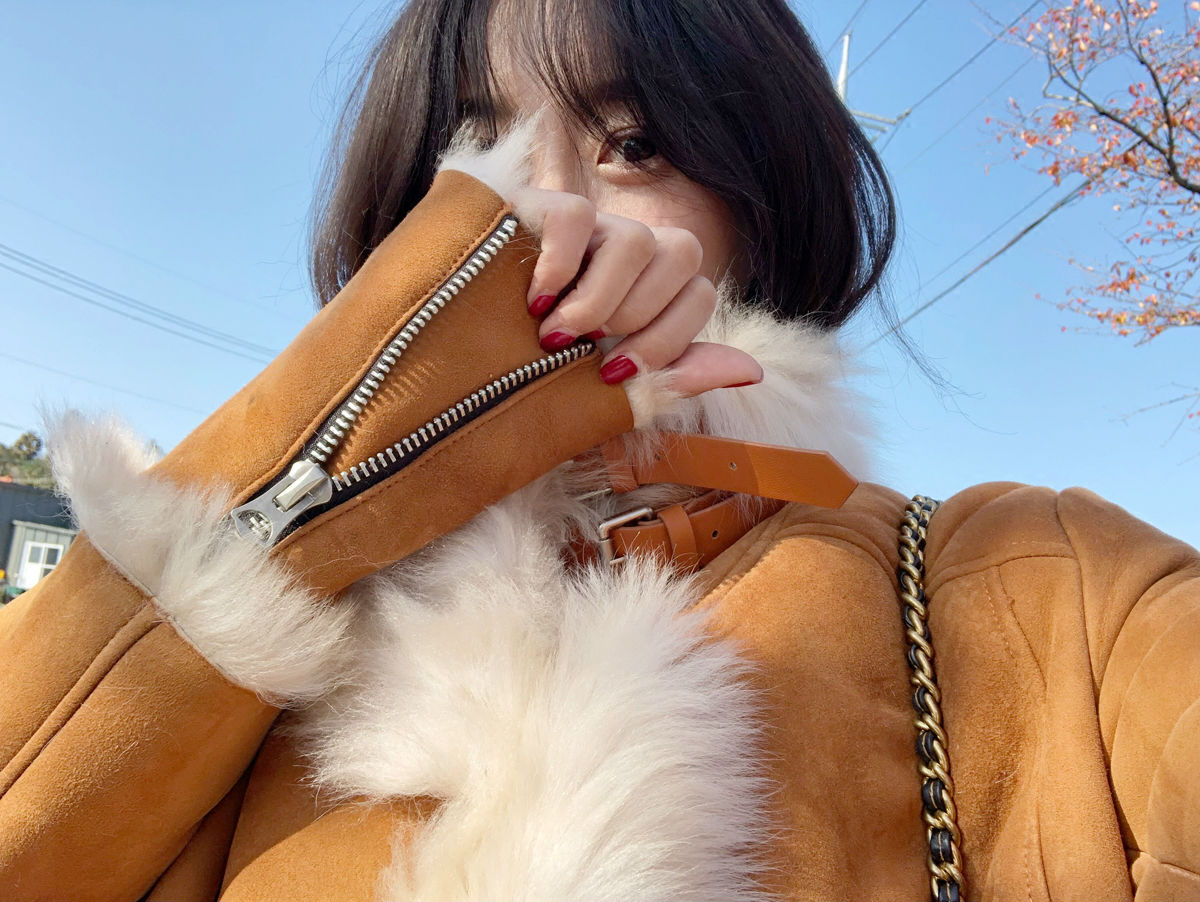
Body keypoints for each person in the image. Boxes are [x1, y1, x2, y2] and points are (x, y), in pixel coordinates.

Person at [1, 1, 1196, 900]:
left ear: (760, 197)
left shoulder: (1040, 589)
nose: (547, 209)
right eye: (471, 158)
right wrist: (286, 504)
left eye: (635, 143)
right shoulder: (245, 674)